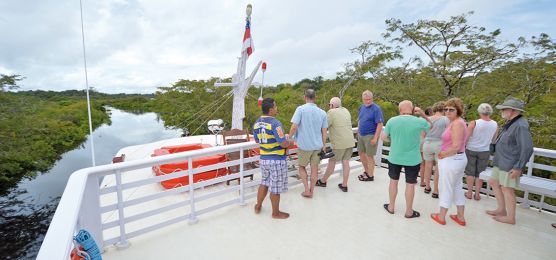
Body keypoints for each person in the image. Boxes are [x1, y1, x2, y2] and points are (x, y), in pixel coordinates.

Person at [486, 97, 533, 225]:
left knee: (507, 189)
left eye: (504, 109)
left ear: (512, 110)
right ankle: (501, 209)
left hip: (510, 163)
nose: (502, 111)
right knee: (493, 182)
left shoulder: (521, 125)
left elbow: (527, 148)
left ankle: (510, 218)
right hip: (500, 161)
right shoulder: (511, 122)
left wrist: (518, 167)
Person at [382, 100, 431, 218]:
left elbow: (383, 137)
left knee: (393, 182)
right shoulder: (419, 121)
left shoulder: (392, 121)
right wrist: (423, 114)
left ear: (400, 110)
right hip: (413, 159)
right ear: (412, 110)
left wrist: (393, 140)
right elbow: (431, 127)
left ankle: (391, 207)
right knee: (410, 184)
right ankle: (409, 211)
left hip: (395, 157)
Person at [253, 98, 294, 219]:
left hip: (264, 158)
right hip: (276, 160)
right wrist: (290, 143)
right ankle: (275, 213)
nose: (277, 109)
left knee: (264, 183)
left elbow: (256, 140)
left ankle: (258, 206)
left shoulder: (256, 123)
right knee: (275, 188)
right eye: (275, 107)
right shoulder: (275, 123)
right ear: (270, 110)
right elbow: (283, 143)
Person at [430, 98, 468, 226]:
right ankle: (460, 217)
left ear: (458, 110)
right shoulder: (455, 122)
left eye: (451, 109)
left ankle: (441, 216)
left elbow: (456, 146)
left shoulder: (457, 123)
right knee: (457, 187)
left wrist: (442, 154)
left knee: (445, 187)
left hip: (452, 159)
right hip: (457, 159)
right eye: (445, 109)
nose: (447, 111)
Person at [289, 89, 328, 198]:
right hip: (318, 146)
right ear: (315, 98)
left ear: (305, 97)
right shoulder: (322, 112)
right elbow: (324, 132)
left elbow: (294, 126)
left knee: (302, 167)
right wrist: (324, 145)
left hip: (304, 146)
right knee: (314, 168)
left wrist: (289, 138)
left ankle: (307, 190)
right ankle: (312, 190)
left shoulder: (300, 109)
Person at [316, 97, 355, 192]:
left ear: (332, 105)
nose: (329, 106)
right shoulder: (346, 110)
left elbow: (324, 126)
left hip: (339, 143)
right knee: (346, 162)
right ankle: (344, 185)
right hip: (350, 141)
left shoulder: (331, 112)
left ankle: (323, 181)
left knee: (332, 163)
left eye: (330, 105)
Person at [465, 103, 498, 201]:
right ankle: (477, 194)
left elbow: (466, 137)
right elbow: (494, 140)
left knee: (470, 172)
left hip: (471, 149)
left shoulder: (474, 123)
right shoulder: (495, 124)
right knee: (480, 172)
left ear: (479, 111)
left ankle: (469, 193)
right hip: (485, 150)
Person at [422, 102, 449, 198]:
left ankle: (427, 187)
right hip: (439, 144)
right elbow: (448, 134)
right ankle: (436, 190)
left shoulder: (428, 119)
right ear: (444, 110)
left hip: (427, 144)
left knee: (427, 166)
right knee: (438, 168)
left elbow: (423, 135)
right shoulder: (446, 119)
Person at [357, 90, 384, 182]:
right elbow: (360, 120)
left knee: (369, 156)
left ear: (372, 98)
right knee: (361, 153)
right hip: (361, 135)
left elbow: (380, 124)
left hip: (371, 135)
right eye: (365, 99)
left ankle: (370, 176)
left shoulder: (376, 109)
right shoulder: (361, 107)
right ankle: (367, 171)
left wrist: (375, 138)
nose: (368, 101)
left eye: (369, 99)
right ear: (362, 99)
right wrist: (358, 132)